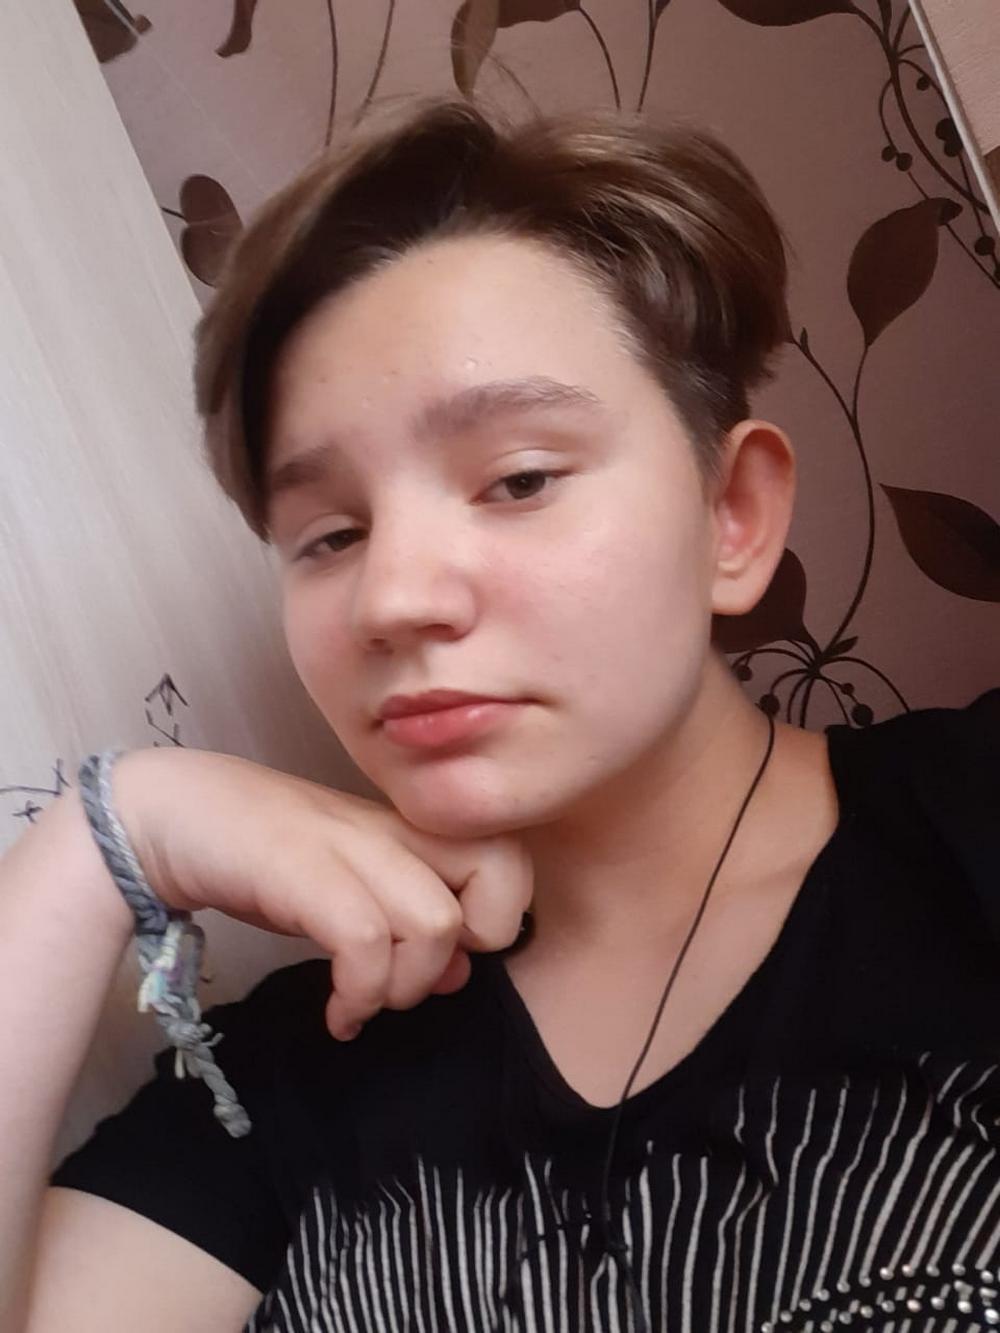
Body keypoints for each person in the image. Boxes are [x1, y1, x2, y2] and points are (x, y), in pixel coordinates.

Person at [4, 93, 998, 1333]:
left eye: (518, 479)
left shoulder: (970, 831)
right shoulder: (295, 1071)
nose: (392, 598)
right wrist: (111, 835)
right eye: (330, 535)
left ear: (732, 516)